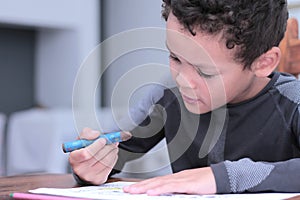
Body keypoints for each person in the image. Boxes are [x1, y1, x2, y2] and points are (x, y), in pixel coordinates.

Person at [69, 0, 300, 195]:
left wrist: (222, 178)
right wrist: (92, 164)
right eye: (175, 58)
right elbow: (117, 150)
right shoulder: (167, 95)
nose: (182, 81)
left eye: (205, 72)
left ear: (264, 63)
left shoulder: (292, 101)